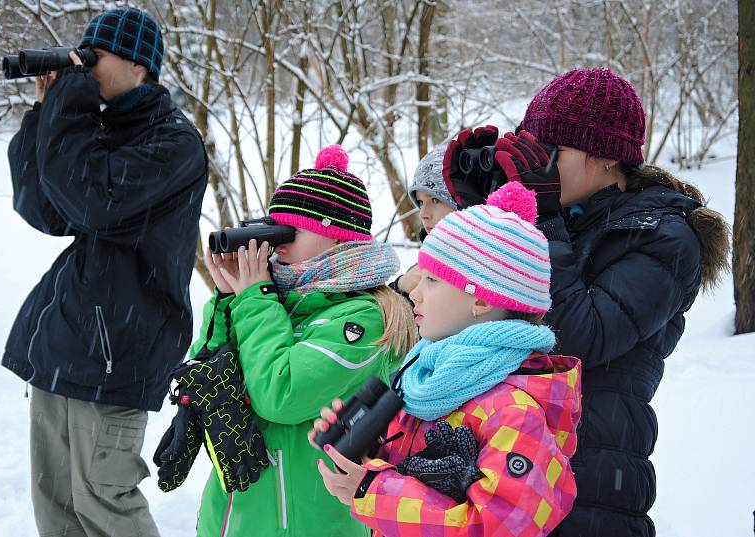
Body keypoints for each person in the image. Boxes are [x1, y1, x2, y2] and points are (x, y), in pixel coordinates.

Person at [492, 68, 730, 536]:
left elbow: (577, 336)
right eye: (528, 148)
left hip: (594, 474)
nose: (536, 163)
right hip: (510, 453)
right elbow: (467, 308)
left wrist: (541, 216)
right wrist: (478, 205)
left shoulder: (665, 237)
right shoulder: (563, 219)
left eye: (548, 151)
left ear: (603, 155)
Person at [3, 7, 207, 536]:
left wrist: (68, 108)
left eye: (96, 57)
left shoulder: (174, 143)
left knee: (104, 500)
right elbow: (42, 207)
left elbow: (93, 198)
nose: (85, 67)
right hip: (65, 344)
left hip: (119, 349)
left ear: (140, 66)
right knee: (57, 505)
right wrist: (44, 112)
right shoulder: (95, 131)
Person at [311, 181, 583, 536]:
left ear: (482, 300)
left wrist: (373, 492)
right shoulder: (429, 380)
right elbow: (411, 478)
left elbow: (499, 528)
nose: (416, 293)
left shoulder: (514, 412)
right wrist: (363, 452)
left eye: (432, 280)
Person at [194, 145, 417, 536]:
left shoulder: (363, 317)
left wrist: (254, 301)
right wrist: (229, 298)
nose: (276, 241)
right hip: (237, 519)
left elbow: (282, 395)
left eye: (290, 229)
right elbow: (204, 377)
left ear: (336, 238)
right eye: (272, 224)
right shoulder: (271, 301)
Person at [391, 126, 500, 297]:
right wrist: (401, 287)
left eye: (435, 200)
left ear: (464, 203)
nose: (423, 214)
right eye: (420, 202)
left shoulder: (490, 269)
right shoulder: (423, 265)